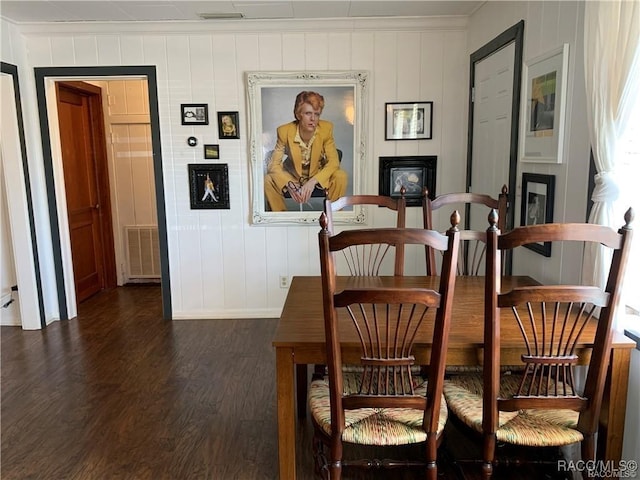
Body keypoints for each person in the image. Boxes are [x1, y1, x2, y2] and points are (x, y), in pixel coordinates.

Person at [264, 91, 348, 211]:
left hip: (317, 177)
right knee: (268, 180)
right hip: (292, 177)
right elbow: (273, 165)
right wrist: (288, 183)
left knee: (341, 175)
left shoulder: (326, 129)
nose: (313, 119)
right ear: (298, 115)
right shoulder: (284, 131)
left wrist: (313, 181)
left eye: (317, 114)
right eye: (308, 113)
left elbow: (334, 162)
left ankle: (333, 216)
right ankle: (280, 218)